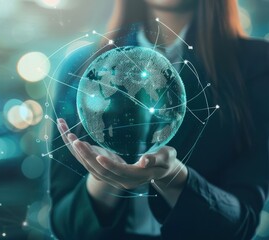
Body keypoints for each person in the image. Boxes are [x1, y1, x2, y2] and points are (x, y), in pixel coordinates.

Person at [49, 0, 269, 239]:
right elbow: (64, 226)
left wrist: (173, 177)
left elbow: (241, 225)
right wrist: (104, 178)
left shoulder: (259, 65)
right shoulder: (81, 66)